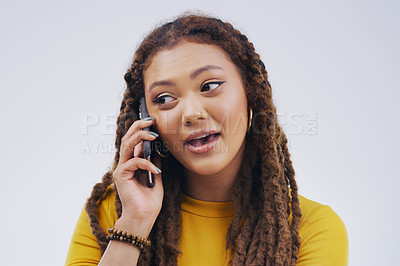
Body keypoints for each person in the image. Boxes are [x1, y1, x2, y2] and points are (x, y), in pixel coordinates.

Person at [66, 12, 348, 265]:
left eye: (210, 86)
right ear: (147, 119)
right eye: (164, 98)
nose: (190, 114)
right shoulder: (114, 214)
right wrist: (136, 222)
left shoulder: (311, 228)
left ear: (250, 94)